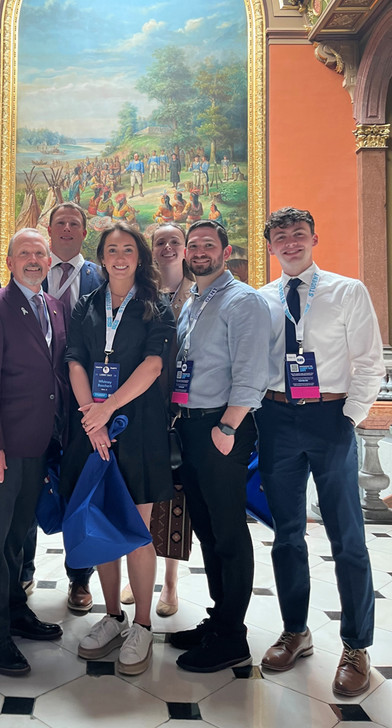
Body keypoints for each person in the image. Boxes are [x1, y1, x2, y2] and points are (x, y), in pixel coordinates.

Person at [256, 207, 385, 697]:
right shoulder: (262, 299)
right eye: (281, 237)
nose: (290, 243)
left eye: (298, 234)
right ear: (270, 247)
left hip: (330, 418)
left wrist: (347, 419)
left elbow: (370, 362)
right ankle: (296, 630)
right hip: (276, 419)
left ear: (314, 237)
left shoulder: (347, 290)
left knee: (347, 535)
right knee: (286, 534)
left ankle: (356, 645)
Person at [61, 222, 175, 676]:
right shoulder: (87, 303)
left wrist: (106, 409)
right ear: (102, 256)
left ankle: (143, 624)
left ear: (139, 256)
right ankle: (112, 616)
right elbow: (73, 359)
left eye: (128, 249)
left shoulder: (156, 305)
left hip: (137, 428)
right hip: (92, 430)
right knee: (102, 524)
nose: (120, 256)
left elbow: (152, 365)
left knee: (136, 529)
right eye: (112, 250)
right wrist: (91, 414)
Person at [168, 220, 270, 673]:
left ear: (225, 252)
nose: (199, 251)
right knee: (207, 528)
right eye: (193, 245)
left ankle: (233, 636)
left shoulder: (242, 300)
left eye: (209, 245)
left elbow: (252, 372)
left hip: (221, 427)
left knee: (228, 531)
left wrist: (228, 428)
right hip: (191, 427)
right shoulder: (193, 298)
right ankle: (218, 619)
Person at [0, 228, 68, 677]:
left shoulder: (53, 307)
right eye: (24, 253)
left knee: (19, 536)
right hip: (3, 449)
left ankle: (15, 611)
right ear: (8, 261)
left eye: (40, 253)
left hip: (39, 446)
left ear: (50, 261)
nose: (33, 260)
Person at [20, 203, 103, 611]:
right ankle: (23, 570)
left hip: (83, 402)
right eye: (61, 223)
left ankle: (79, 579)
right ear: (48, 230)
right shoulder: (29, 272)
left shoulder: (101, 277)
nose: (67, 229)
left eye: (75, 224)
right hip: (33, 399)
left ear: (84, 232)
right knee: (28, 481)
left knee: (77, 487)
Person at [121, 224, 194, 616]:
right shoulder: (140, 293)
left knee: (175, 498)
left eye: (174, 242)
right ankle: (139, 575)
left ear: (183, 250)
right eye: (160, 242)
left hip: (182, 407)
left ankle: (169, 583)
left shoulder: (197, 293)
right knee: (140, 496)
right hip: (143, 407)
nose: (167, 247)